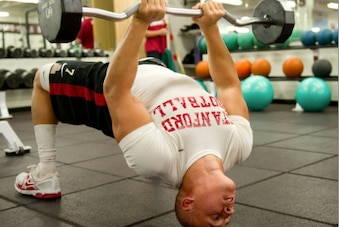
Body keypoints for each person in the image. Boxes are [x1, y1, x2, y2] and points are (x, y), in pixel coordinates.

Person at [14, 0, 253, 226]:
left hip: (116, 85)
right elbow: (228, 85)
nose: (228, 214)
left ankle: (44, 174)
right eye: (227, 220)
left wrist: (140, 22)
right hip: (158, 69)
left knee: (42, 77)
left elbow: (117, 91)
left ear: (189, 203)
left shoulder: (159, 161)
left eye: (215, 220)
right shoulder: (239, 146)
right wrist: (210, 28)